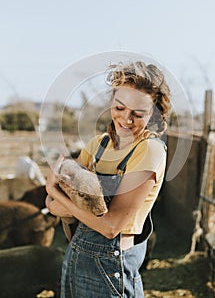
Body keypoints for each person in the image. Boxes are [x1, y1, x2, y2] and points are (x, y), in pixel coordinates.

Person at [45, 61, 171, 298]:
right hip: (75, 255)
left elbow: (111, 227)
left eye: (138, 114)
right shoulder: (98, 145)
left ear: (154, 113)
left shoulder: (149, 150)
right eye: (119, 108)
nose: (126, 119)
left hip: (110, 267)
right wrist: (60, 200)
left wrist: (55, 190)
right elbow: (51, 206)